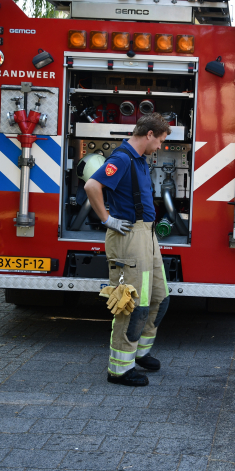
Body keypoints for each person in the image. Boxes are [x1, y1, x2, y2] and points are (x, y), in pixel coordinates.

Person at [85, 114, 171, 387]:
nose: (160, 146)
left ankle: (140, 353)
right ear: (149, 135)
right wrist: (107, 219)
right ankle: (120, 369)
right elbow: (92, 185)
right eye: (160, 140)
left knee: (159, 297)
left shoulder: (138, 159)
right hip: (129, 238)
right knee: (131, 304)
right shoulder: (122, 158)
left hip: (147, 235)